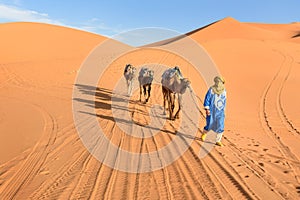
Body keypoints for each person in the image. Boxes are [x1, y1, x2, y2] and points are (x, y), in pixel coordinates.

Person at [201, 76, 226, 146]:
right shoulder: (211, 90)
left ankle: (218, 140)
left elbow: (224, 101)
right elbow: (207, 99)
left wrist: (223, 110)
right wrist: (207, 109)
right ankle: (204, 134)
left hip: (220, 111)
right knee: (209, 124)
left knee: (221, 125)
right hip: (211, 110)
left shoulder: (224, 91)